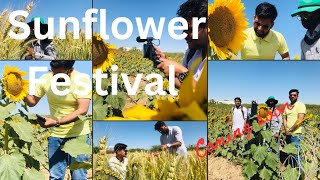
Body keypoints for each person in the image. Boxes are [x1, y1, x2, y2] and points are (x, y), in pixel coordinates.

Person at [24, 60, 91, 179]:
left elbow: (82, 110)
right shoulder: (46, 79)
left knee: (79, 177)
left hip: (78, 135)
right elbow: (32, 102)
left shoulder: (82, 80)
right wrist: (20, 89)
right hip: (56, 136)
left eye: (59, 74)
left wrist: (56, 122)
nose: (55, 77)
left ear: (70, 70)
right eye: (53, 73)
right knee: (55, 177)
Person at [154, 0, 207, 88]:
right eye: (184, 30)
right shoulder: (192, 51)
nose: (184, 35)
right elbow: (182, 85)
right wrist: (167, 66)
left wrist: (181, 71)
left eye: (190, 30)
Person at [283, 89, 306, 173]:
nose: (292, 96)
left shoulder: (300, 105)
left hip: (296, 134)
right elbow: (284, 118)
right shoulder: (287, 106)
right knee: (290, 153)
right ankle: (292, 172)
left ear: (297, 96)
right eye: (291, 95)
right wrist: (286, 129)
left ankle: (300, 174)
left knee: (297, 155)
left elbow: (300, 119)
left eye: (294, 95)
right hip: (288, 133)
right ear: (289, 96)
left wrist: (291, 130)